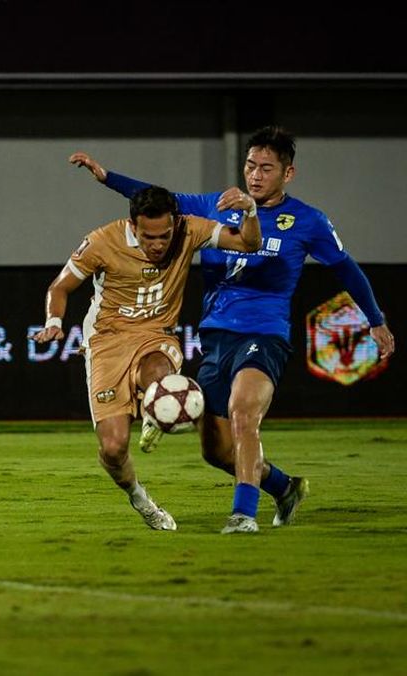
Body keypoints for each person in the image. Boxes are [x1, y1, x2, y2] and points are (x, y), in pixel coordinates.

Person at [70, 126, 396, 533]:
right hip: (216, 337)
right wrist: (107, 177)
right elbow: (159, 200)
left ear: (287, 174)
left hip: (265, 334)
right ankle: (283, 486)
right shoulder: (214, 205)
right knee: (217, 450)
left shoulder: (308, 221)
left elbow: (345, 268)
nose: (255, 175)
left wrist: (376, 320)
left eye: (266, 168)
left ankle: (243, 515)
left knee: (244, 414)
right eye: (250, 166)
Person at [32, 185, 261, 530]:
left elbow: (248, 243)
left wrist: (251, 212)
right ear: (132, 225)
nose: (158, 244)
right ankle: (140, 498)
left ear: (175, 224)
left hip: (156, 334)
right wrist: (53, 322)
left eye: (164, 236)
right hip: (106, 341)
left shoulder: (190, 228)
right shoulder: (101, 241)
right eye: (148, 236)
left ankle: (156, 409)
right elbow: (59, 287)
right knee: (113, 447)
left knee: (159, 372)